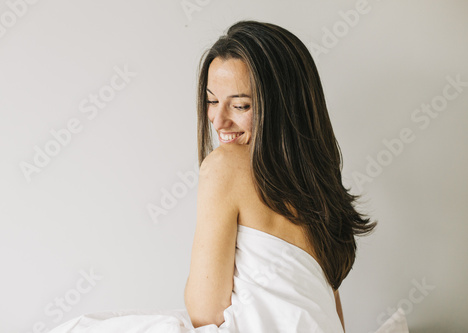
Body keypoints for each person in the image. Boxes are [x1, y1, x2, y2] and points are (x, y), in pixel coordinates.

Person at [48, 20, 377, 333]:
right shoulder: (321, 195)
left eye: (240, 105)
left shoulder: (226, 166)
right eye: (211, 101)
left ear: (283, 109)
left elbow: (205, 312)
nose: (218, 121)